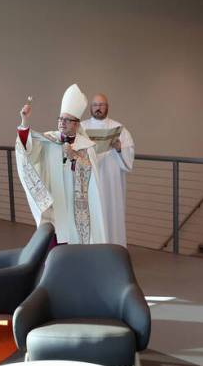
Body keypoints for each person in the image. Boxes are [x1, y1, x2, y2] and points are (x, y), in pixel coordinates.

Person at [15, 84, 108, 244]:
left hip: (77, 210)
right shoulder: (49, 140)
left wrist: (74, 157)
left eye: (67, 120)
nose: (62, 122)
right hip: (55, 207)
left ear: (76, 124)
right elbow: (27, 152)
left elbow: (92, 179)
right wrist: (24, 121)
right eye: (60, 118)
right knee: (54, 246)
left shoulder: (86, 146)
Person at [81, 93, 134, 247]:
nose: (98, 108)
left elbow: (128, 157)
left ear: (107, 107)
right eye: (95, 105)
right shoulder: (82, 128)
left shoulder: (119, 129)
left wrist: (119, 149)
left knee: (112, 214)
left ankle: (114, 250)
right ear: (91, 108)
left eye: (102, 105)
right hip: (90, 180)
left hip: (112, 182)